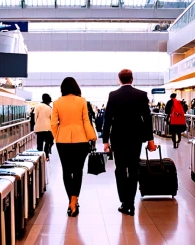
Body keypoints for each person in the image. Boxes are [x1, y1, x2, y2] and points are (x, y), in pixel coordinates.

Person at [102, 69, 156, 216]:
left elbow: (108, 119)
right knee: (133, 169)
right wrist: (150, 140)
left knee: (120, 169)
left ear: (119, 80)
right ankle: (131, 203)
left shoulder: (113, 95)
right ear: (132, 79)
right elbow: (147, 119)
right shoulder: (141, 95)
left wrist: (105, 140)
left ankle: (124, 202)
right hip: (135, 137)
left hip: (118, 137)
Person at [51, 77, 97, 217]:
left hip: (62, 140)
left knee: (66, 171)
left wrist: (57, 136)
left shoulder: (57, 102)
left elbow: (53, 124)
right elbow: (86, 121)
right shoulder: (82, 101)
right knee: (78, 171)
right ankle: (74, 200)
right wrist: (92, 136)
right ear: (76, 87)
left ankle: (70, 201)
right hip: (81, 139)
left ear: (63, 88)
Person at [34, 94, 53, 160]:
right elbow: (52, 118)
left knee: (39, 143)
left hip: (39, 128)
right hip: (48, 128)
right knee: (48, 142)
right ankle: (46, 155)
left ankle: (39, 157)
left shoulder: (37, 106)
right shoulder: (49, 108)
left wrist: (37, 124)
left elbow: (35, 117)